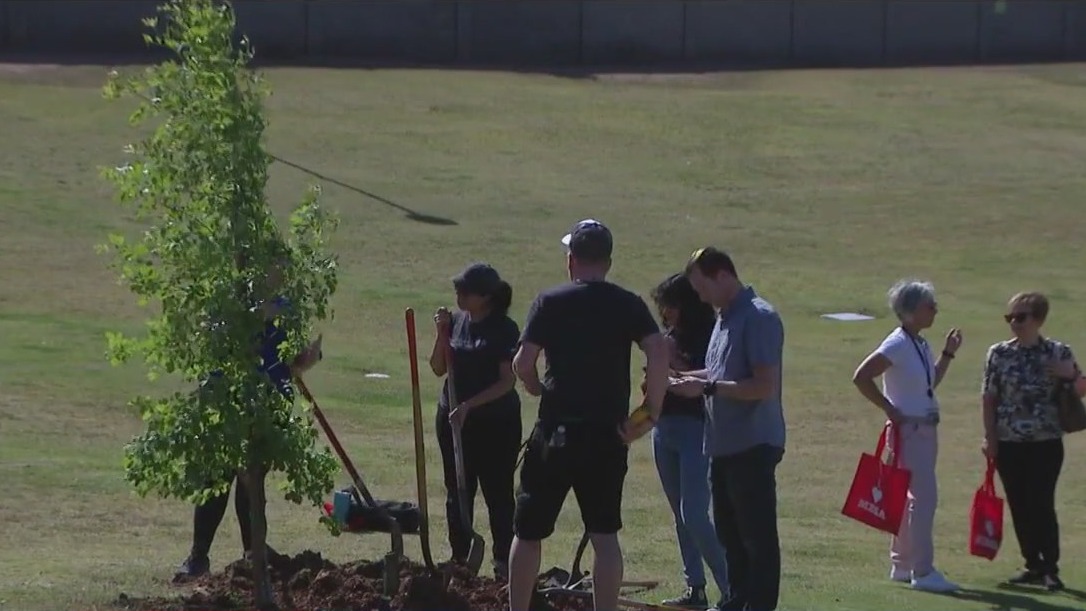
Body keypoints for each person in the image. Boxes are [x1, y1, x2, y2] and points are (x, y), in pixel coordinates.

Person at [507, 218, 669, 611]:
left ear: (570, 260)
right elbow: (659, 349)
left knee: (528, 533)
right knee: (604, 535)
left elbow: (523, 361)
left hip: (556, 432)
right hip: (607, 434)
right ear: (608, 262)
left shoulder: (550, 301)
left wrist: (534, 387)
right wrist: (648, 414)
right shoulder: (628, 304)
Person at [174, 254, 324, 582]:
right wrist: (254, 317)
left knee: (252, 482)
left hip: (269, 406)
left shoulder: (287, 309)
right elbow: (212, 340)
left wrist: (308, 357)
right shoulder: (229, 304)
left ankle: (253, 554)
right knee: (216, 480)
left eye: (285, 269)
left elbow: (292, 362)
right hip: (227, 401)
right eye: (276, 267)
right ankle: (198, 557)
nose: (282, 275)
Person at [669, 247, 786, 611]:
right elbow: (721, 374)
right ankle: (737, 603)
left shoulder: (758, 317)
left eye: (702, 287)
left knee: (756, 538)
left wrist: (704, 388)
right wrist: (687, 377)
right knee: (730, 537)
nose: (699, 297)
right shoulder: (724, 318)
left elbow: (763, 385)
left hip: (752, 443)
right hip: (722, 445)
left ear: (722, 275)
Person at [851, 279, 961, 593]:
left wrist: (948, 355)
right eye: (930, 306)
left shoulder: (919, 343)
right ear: (911, 312)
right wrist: (888, 407)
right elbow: (861, 376)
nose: (935, 310)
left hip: (919, 428)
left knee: (904, 495)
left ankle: (902, 564)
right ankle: (922, 570)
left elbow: (928, 384)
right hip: (910, 430)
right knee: (923, 499)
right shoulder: (897, 343)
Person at [981, 291, 1086, 591]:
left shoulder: (1058, 352)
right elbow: (989, 398)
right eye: (1010, 317)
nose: (1015, 322)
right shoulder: (999, 354)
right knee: (1019, 505)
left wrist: (1069, 375)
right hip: (1009, 441)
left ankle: (1050, 567)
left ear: (1038, 320)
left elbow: (1081, 388)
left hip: (1045, 442)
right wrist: (990, 437)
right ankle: (1032, 565)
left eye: (1021, 317)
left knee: (1041, 503)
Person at [428, 262, 522, 580]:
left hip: (496, 424)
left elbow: (507, 382)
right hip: (454, 420)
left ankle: (503, 563)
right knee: (457, 491)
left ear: (485, 296)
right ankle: (461, 557)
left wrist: (470, 405)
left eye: (464, 290)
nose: (458, 294)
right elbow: (438, 368)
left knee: (498, 493)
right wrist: (441, 335)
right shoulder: (455, 322)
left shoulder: (505, 330)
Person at [648, 273, 731, 610]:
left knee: (694, 513)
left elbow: (708, 381)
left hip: (696, 430)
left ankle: (732, 589)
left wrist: (670, 362)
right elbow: (655, 386)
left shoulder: (711, 337)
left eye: (669, 305)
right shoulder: (667, 338)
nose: (664, 312)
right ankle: (695, 589)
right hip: (663, 430)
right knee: (680, 515)